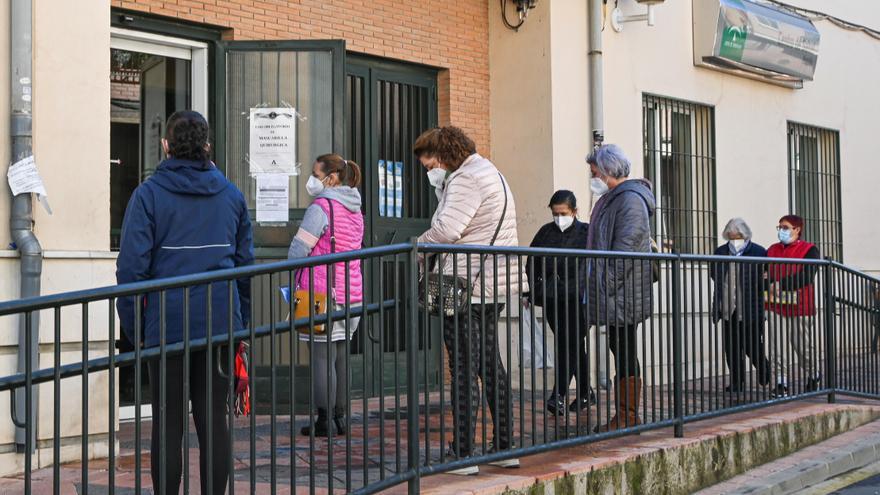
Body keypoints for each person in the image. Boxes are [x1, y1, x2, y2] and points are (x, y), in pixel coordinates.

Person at [116, 110, 254, 495]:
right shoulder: (232, 195)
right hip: (219, 321)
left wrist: (136, 332)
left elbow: (130, 270)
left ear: (166, 146)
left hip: (168, 326)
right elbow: (245, 268)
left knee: (168, 423)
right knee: (213, 419)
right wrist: (241, 325)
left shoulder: (147, 195)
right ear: (207, 145)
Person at [415, 126, 523, 475]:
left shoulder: (465, 179)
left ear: (443, 156)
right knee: (491, 366)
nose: (429, 171)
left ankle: (462, 453)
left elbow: (448, 230)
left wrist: (418, 245)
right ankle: (504, 447)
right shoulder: (490, 172)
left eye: (428, 163)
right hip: (492, 285)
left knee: (463, 369)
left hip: (465, 287)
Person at [288, 153, 364, 437]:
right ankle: (340, 418)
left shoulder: (321, 207)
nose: (312, 180)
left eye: (315, 175)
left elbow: (299, 250)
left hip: (321, 293)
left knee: (322, 358)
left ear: (330, 178)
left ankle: (324, 420)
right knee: (340, 357)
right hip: (351, 292)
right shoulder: (355, 208)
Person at [584, 144, 655, 432]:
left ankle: (628, 416)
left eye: (594, 172)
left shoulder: (630, 201)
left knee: (624, 349)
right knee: (620, 347)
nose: (592, 177)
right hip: (615, 290)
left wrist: (605, 286)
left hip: (622, 291)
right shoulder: (614, 198)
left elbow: (624, 249)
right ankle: (625, 415)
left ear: (608, 171)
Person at [525, 190, 596, 415]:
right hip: (553, 299)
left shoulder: (587, 233)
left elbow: (593, 266)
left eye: (563, 213)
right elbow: (532, 262)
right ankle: (585, 393)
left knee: (570, 344)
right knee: (572, 344)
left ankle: (559, 395)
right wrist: (532, 292)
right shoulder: (546, 232)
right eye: (555, 213)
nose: (559, 218)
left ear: (574, 211)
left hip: (580, 300)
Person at [710, 218, 771, 393]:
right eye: (730, 237)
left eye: (736, 237)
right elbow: (715, 275)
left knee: (752, 346)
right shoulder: (721, 252)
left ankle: (763, 369)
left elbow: (765, 279)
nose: (734, 241)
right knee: (732, 348)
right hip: (729, 307)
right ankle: (737, 381)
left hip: (751, 308)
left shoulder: (758, 252)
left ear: (745, 236)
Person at [765, 214, 821, 398]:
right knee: (777, 346)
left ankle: (813, 375)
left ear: (797, 229)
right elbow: (764, 274)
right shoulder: (772, 250)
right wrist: (769, 283)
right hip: (775, 305)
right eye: (780, 227)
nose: (781, 230)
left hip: (801, 306)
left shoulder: (810, 250)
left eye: (785, 227)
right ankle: (781, 382)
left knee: (803, 345)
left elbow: (807, 276)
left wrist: (780, 284)